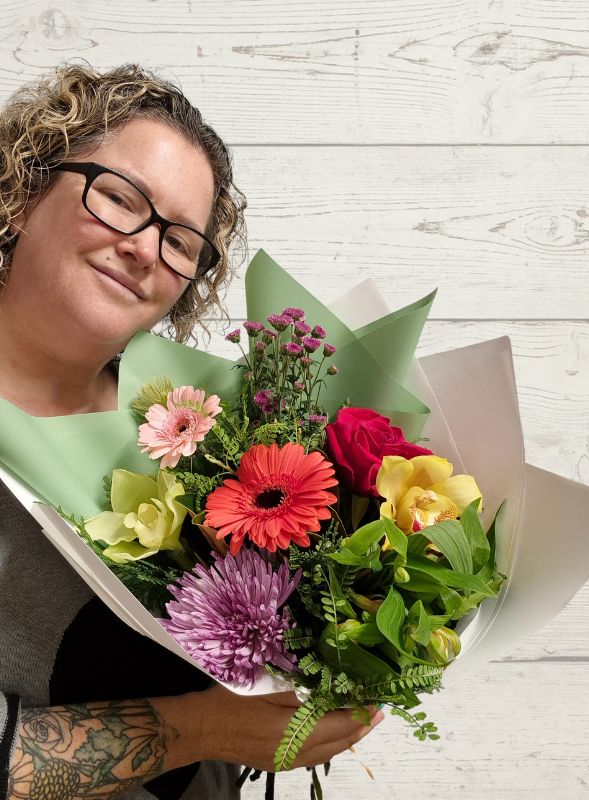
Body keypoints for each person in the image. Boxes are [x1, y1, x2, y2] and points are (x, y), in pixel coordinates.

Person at [0, 63, 384, 800]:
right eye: (118, 199)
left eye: (180, 241)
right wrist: (203, 728)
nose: (144, 248)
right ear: (22, 192)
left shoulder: (202, 439)